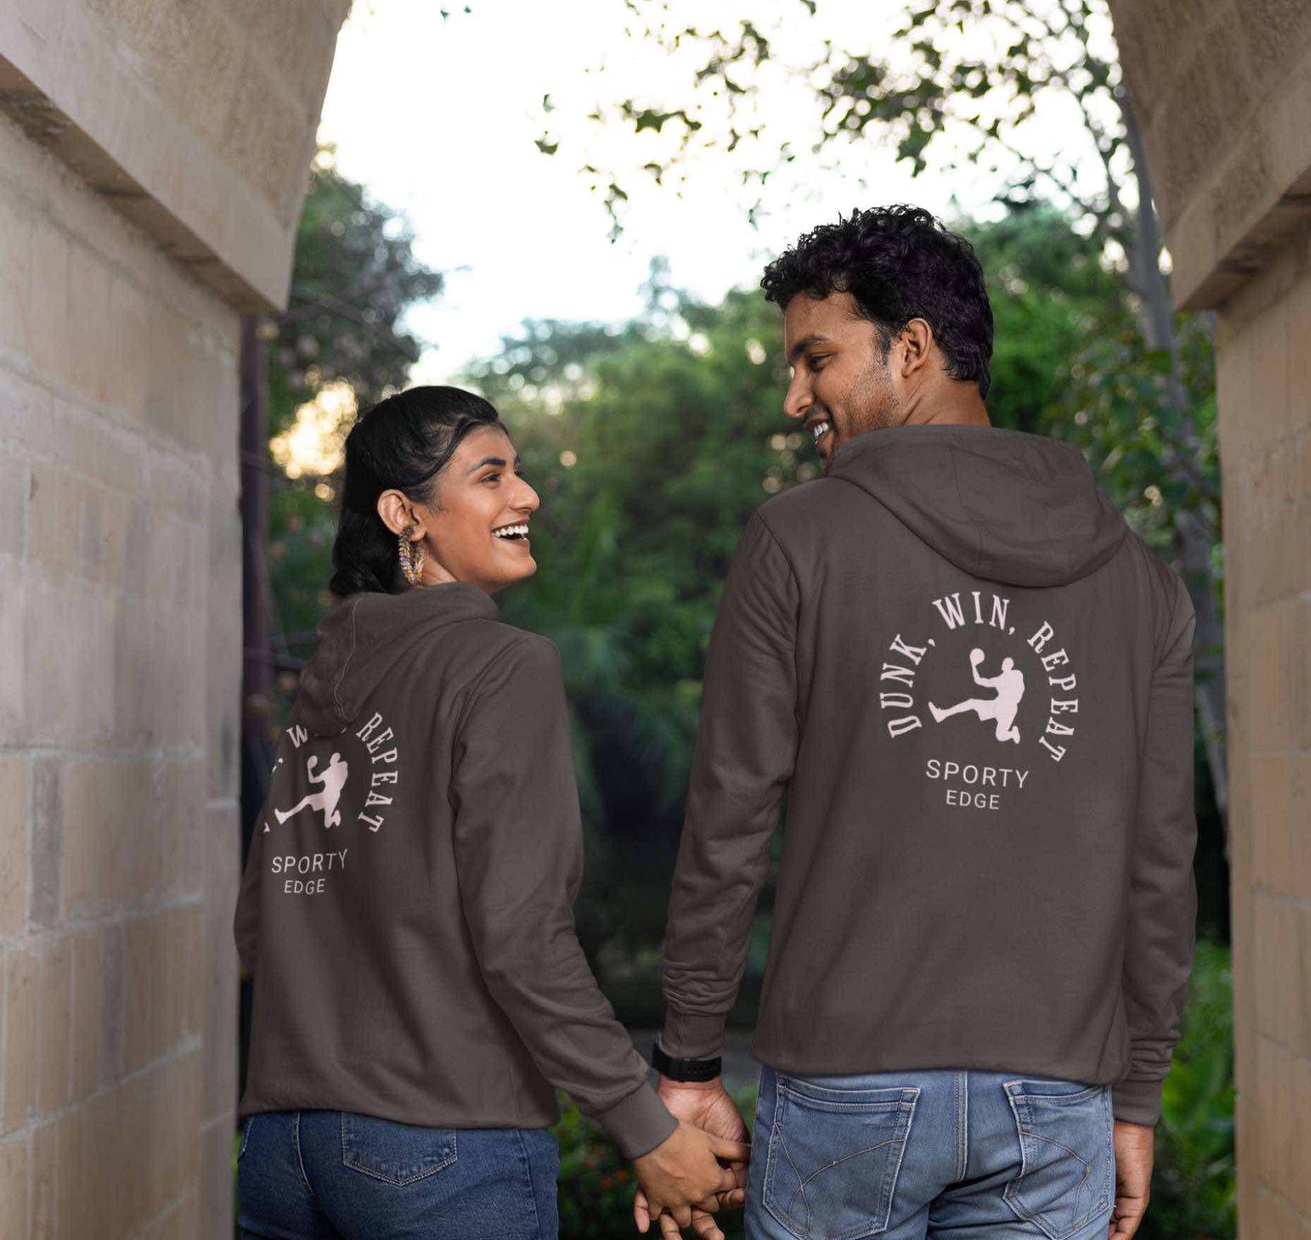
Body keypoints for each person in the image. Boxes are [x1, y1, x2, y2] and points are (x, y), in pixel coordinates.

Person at [637, 206, 1198, 1239]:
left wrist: (685, 1062)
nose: (793, 394)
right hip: (1056, 1093)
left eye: (814, 359)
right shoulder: (1139, 579)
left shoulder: (798, 539)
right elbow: (1158, 866)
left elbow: (727, 821)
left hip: (847, 1079)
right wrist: (1133, 1096)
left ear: (911, 347)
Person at [234, 386, 744, 1240]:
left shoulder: (322, 681)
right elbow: (521, 935)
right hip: (442, 1151)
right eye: (490, 475)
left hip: (284, 1153)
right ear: (406, 513)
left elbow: (259, 924)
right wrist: (643, 1127)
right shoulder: (502, 665)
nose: (527, 495)